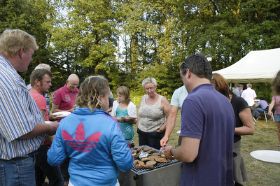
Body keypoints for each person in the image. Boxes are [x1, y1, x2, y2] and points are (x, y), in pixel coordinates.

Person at [163, 54, 235, 186]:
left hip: (200, 179)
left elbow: (188, 154)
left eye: (182, 77)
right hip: (223, 178)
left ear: (188, 73)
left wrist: (171, 150)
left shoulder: (192, 100)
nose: (183, 83)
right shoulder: (225, 101)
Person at [47, 76, 133, 186]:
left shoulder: (65, 122)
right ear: (101, 97)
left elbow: (53, 159)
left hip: (76, 182)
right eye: (108, 96)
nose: (109, 100)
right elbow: (125, 164)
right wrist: (127, 152)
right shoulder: (111, 123)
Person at [0, 29, 58, 186]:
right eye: (31, 54)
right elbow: (21, 130)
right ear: (20, 52)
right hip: (15, 166)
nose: (31, 60)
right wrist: (51, 127)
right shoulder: (7, 80)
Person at [212, 73, 255, 186]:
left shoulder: (238, 102)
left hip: (232, 148)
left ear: (219, 87)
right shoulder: (213, 101)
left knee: (234, 181)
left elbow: (250, 129)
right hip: (214, 148)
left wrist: (228, 129)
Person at [29, 69, 64, 186]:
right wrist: (54, 144)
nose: (50, 84)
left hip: (32, 147)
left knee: (37, 180)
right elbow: (41, 124)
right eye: (48, 82)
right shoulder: (39, 98)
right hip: (42, 146)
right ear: (37, 82)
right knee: (58, 180)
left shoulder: (29, 94)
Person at [137, 77, 170, 149]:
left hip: (155, 134)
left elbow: (170, 117)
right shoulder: (143, 98)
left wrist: (163, 127)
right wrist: (138, 125)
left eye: (151, 88)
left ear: (155, 87)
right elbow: (139, 113)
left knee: (156, 156)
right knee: (143, 154)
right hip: (141, 133)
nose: (149, 90)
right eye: (147, 88)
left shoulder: (162, 100)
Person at [268, 70, 280, 146]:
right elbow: (272, 103)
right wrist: (269, 110)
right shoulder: (276, 95)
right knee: (279, 130)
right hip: (277, 114)